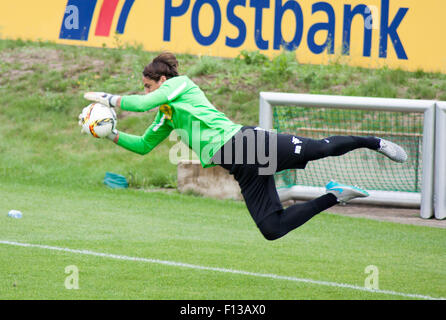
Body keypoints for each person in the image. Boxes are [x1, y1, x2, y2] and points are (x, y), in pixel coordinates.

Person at [82, 52, 408, 241]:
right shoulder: (166, 116)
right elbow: (141, 146)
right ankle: (334, 195)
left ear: (161, 82)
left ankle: (373, 141)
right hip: (239, 164)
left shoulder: (179, 85)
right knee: (271, 228)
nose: (145, 92)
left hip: (247, 144)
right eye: (144, 88)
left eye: (147, 86)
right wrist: (109, 134)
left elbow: (141, 104)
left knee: (320, 148)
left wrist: (110, 99)